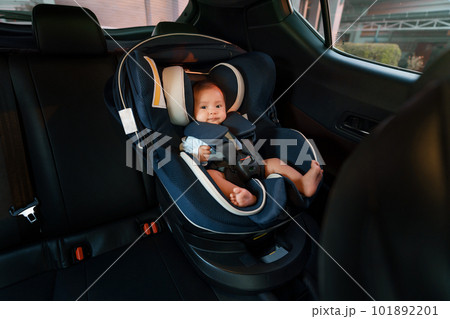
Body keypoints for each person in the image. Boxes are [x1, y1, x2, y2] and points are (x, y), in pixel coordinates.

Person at [182, 80, 323, 207]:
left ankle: (303, 184)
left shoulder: (232, 127)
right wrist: (199, 155)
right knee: (212, 176)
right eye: (204, 107)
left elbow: (246, 146)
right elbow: (188, 158)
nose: (212, 112)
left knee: (274, 162)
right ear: (192, 112)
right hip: (223, 173)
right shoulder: (194, 137)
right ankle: (243, 195)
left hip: (249, 165)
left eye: (218, 106)